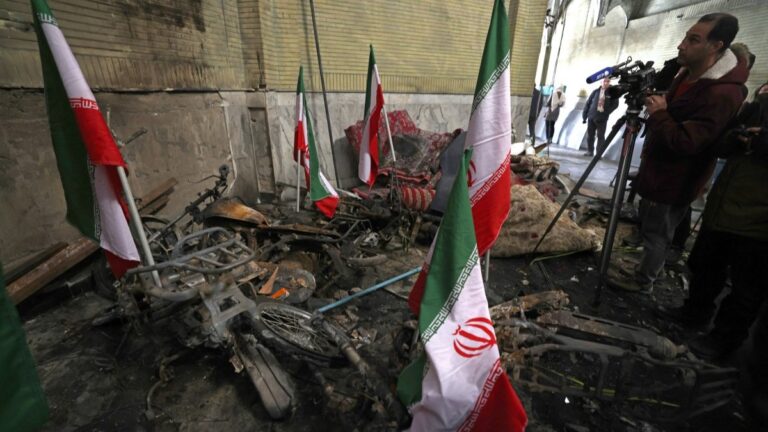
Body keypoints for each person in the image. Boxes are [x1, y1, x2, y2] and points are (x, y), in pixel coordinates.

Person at [607, 13, 749, 294]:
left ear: (716, 46)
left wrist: (659, 113)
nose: (681, 45)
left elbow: (688, 142)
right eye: (685, 37)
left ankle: (643, 282)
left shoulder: (723, 93)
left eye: (693, 40)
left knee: (658, 234)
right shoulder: (686, 73)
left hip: (676, 179)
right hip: (657, 168)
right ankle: (643, 270)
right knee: (649, 227)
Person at [676, 82, 768, 360]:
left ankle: (724, 340)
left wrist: (762, 141)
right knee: (705, 266)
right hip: (725, 206)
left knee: (746, 288)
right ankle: (694, 313)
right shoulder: (757, 107)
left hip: (758, 220)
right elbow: (723, 143)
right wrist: (737, 136)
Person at [582, 78, 619, 156]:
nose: (606, 83)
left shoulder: (612, 93)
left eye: (608, 81)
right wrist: (584, 116)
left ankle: (598, 154)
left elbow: (615, 105)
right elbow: (588, 103)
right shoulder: (595, 92)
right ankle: (590, 151)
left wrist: (606, 112)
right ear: (601, 82)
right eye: (604, 81)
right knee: (590, 135)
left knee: (600, 136)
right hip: (591, 116)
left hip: (602, 118)